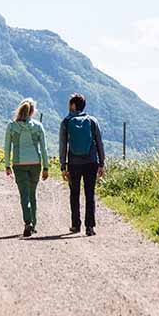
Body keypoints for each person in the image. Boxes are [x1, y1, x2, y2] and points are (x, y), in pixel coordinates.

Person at [59, 93, 105, 236]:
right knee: (90, 194)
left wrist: (63, 166)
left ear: (73, 106)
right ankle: (90, 227)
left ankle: (75, 225)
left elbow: (63, 146)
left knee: (74, 194)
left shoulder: (66, 122)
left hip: (74, 163)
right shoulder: (92, 121)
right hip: (91, 162)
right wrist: (101, 163)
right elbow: (99, 143)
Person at [3, 98, 49, 237]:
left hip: (19, 164)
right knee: (32, 194)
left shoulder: (11, 126)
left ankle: (28, 222)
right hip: (35, 163)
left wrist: (7, 165)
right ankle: (33, 224)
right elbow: (44, 148)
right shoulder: (38, 126)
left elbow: (7, 148)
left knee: (24, 195)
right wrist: (46, 167)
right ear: (32, 112)